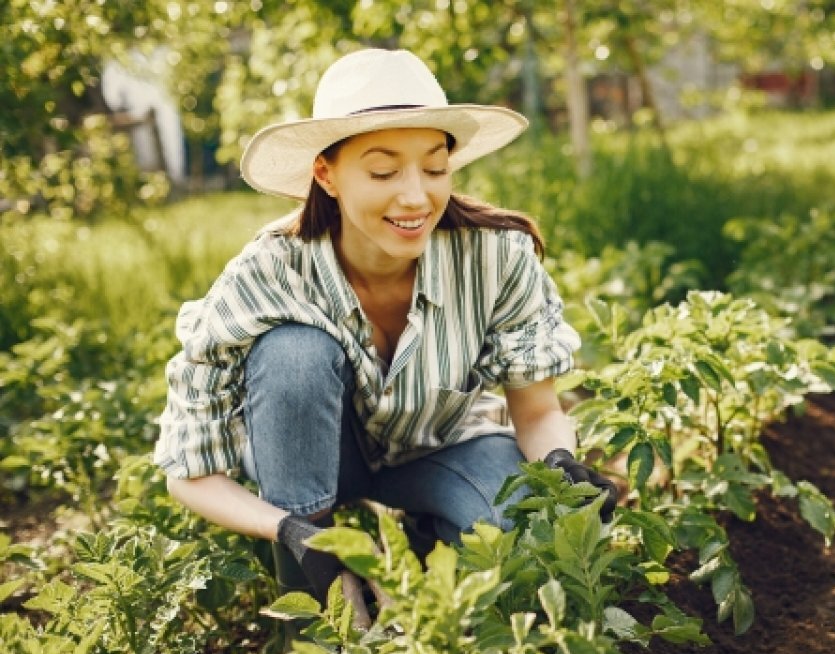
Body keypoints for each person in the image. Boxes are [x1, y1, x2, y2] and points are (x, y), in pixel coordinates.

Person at [153, 48, 618, 606]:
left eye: (434, 167)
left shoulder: (496, 258)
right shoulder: (269, 273)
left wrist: (560, 465)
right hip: (307, 461)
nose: (416, 195)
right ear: (326, 174)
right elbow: (188, 471)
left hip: (439, 447)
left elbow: (539, 411)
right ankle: (315, 604)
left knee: (522, 544)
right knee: (292, 354)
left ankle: (426, 546)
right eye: (383, 170)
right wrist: (292, 530)